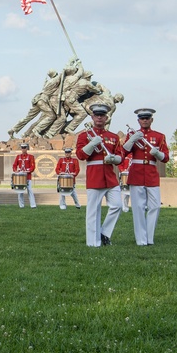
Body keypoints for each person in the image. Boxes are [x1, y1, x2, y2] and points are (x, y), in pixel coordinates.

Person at [76, 103, 124, 247]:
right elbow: (80, 155)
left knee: (117, 206)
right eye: (96, 115)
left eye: (102, 115)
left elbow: (120, 154)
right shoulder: (84, 135)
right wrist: (91, 144)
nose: (99, 118)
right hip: (95, 176)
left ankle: (104, 233)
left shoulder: (113, 136)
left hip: (110, 177)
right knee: (93, 212)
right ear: (92, 117)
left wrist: (115, 159)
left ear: (106, 118)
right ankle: (93, 243)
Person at [123, 109, 170, 246]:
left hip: (151, 173)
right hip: (136, 172)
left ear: (151, 120)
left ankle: (149, 237)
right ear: (138, 120)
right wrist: (132, 139)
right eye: (142, 118)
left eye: (147, 118)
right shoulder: (132, 134)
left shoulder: (159, 136)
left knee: (155, 206)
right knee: (138, 208)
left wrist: (159, 154)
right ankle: (141, 239)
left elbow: (166, 157)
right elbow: (124, 152)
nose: (144, 120)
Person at [12, 143, 37, 208]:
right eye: (22, 148)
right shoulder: (18, 156)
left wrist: (28, 171)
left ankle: (33, 205)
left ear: (27, 148)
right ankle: (21, 205)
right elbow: (14, 165)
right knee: (20, 191)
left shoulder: (31, 157)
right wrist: (15, 170)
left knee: (30, 190)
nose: (23, 149)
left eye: (25, 148)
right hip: (20, 177)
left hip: (28, 176)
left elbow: (33, 166)